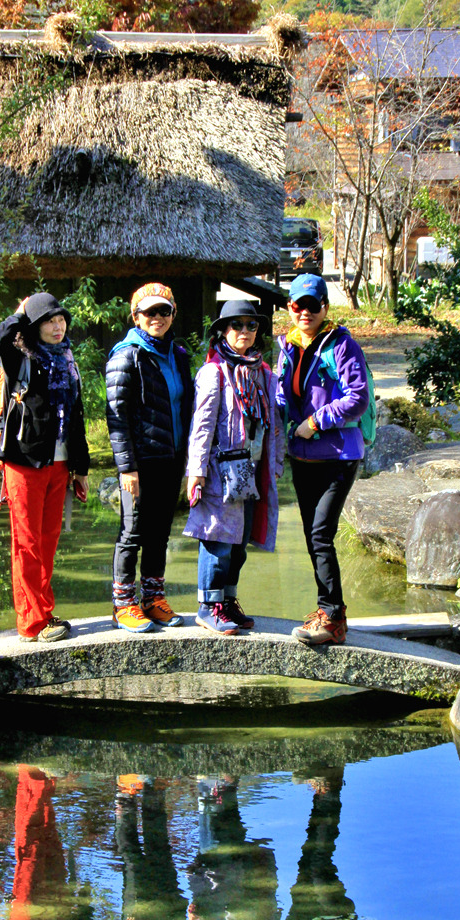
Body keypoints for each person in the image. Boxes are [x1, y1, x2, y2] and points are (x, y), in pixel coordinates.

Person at [276, 273, 369, 645]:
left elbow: (357, 398)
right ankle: (328, 611)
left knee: (320, 534)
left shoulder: (342, 345)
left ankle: (332, 618)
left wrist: (316, 421)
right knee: (313, 537)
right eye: (298, 305)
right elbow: (283, 398)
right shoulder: (288, 347)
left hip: (339, 454)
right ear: (289, 307)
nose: (305, 312)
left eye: (313, 305)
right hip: (303, 457)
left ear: (325, 307)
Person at [0, 292, 90, 643]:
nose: (58, 326)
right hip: (25, 462)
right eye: (49, 320)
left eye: (61, 319)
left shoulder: (67, 360)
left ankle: (44, 612)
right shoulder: (19, 358)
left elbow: (76, 416)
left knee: (48, 542)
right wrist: (20, 312)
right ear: (34, 326)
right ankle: (31, 623)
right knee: (27, 543)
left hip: (59, 465)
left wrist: (81, 468)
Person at [185, 300, 284, 634]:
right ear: (223, 331)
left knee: (239, 543)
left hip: (252, 469)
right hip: (220, 469)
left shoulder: (263, 372)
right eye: (236, 325)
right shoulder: (213, 372)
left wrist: (276, 463)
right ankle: (208, 606)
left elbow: (275, 424)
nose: (244, 331)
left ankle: (227, 601)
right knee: (217, 539)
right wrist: (196, 471)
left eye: (251, 325)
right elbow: (202, 425)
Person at [105, 282, 193, 633]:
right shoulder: (127, 356)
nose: (157, 317)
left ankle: (153, 598)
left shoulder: (178, 355)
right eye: (149, 312)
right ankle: (123, 604)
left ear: (173, 314)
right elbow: (117, 417)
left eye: (164, 311)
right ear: (136, 316)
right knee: (132, 531)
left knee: (160, 532)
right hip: (140, 463)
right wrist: (127, 467)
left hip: (171, 458)